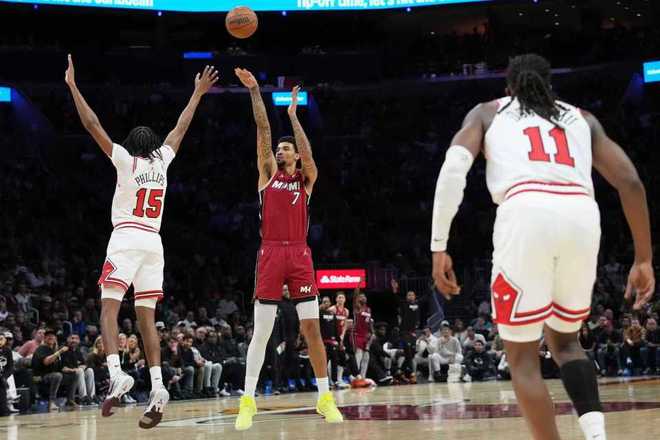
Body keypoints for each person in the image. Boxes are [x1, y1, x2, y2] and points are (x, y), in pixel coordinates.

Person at [430, 53, 655, 440]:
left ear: (509, 87)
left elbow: (453, 170)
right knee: (567, 343)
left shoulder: (488, 112)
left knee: (522, 358)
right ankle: (597, 436)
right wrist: (644, 259)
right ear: (549, 85)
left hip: (525, 212)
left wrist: (439, 246)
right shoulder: (583, 118)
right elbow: (631, 183)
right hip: (581, 215)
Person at [65, 55, 218, 428]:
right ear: (152, 147)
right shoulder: (162, 161)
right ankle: (159, 386)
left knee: (108, 309)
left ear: (132, 146)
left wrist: (72, 86)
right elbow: (180, 127)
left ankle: (116, 373)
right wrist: (198, 93)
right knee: (147, 317)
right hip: (154, 243)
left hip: (127, 237)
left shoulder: (126, 161)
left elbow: (92, 124)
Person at [233, 68, 342, 430]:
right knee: (262, 331)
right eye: (279, 149)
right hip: (270, 253)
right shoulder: (268, 173)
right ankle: (248, 400)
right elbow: (263, 130)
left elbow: (309, 157)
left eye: (285, 148)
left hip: (299, 254)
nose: (280, 151)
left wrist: (294, 115)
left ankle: (325, 397)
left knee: (312, 329)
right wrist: (254, 91)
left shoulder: (305, 178)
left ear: (294, 154)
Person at [31, 329, 69, 412]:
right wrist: (59, 352)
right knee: (57, 376)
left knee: (73, 375)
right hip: (40, 377)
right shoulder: (42, 348)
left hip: (51, 375)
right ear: (44, 338)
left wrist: (73, 370)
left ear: (55, 339)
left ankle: (70, 400)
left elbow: (61, 367)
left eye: (52, 336)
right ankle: (52, 401)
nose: (50, 337)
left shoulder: (54, 350)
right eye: (48, 336)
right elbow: (46, 362)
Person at [61, 334, 97, 405]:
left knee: (89, 370)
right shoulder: (64, 350)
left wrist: (83, 366)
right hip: (67, 374)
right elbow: (62, 368)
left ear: (79, 341)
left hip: (78, 373)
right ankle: (83, 397)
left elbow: (83, 364)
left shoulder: (78, 351)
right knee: (80, 371)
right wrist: (73, 370)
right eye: (72, 338)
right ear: (67, 339)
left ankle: (91, 396)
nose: (74, 340)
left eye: (76, 338)